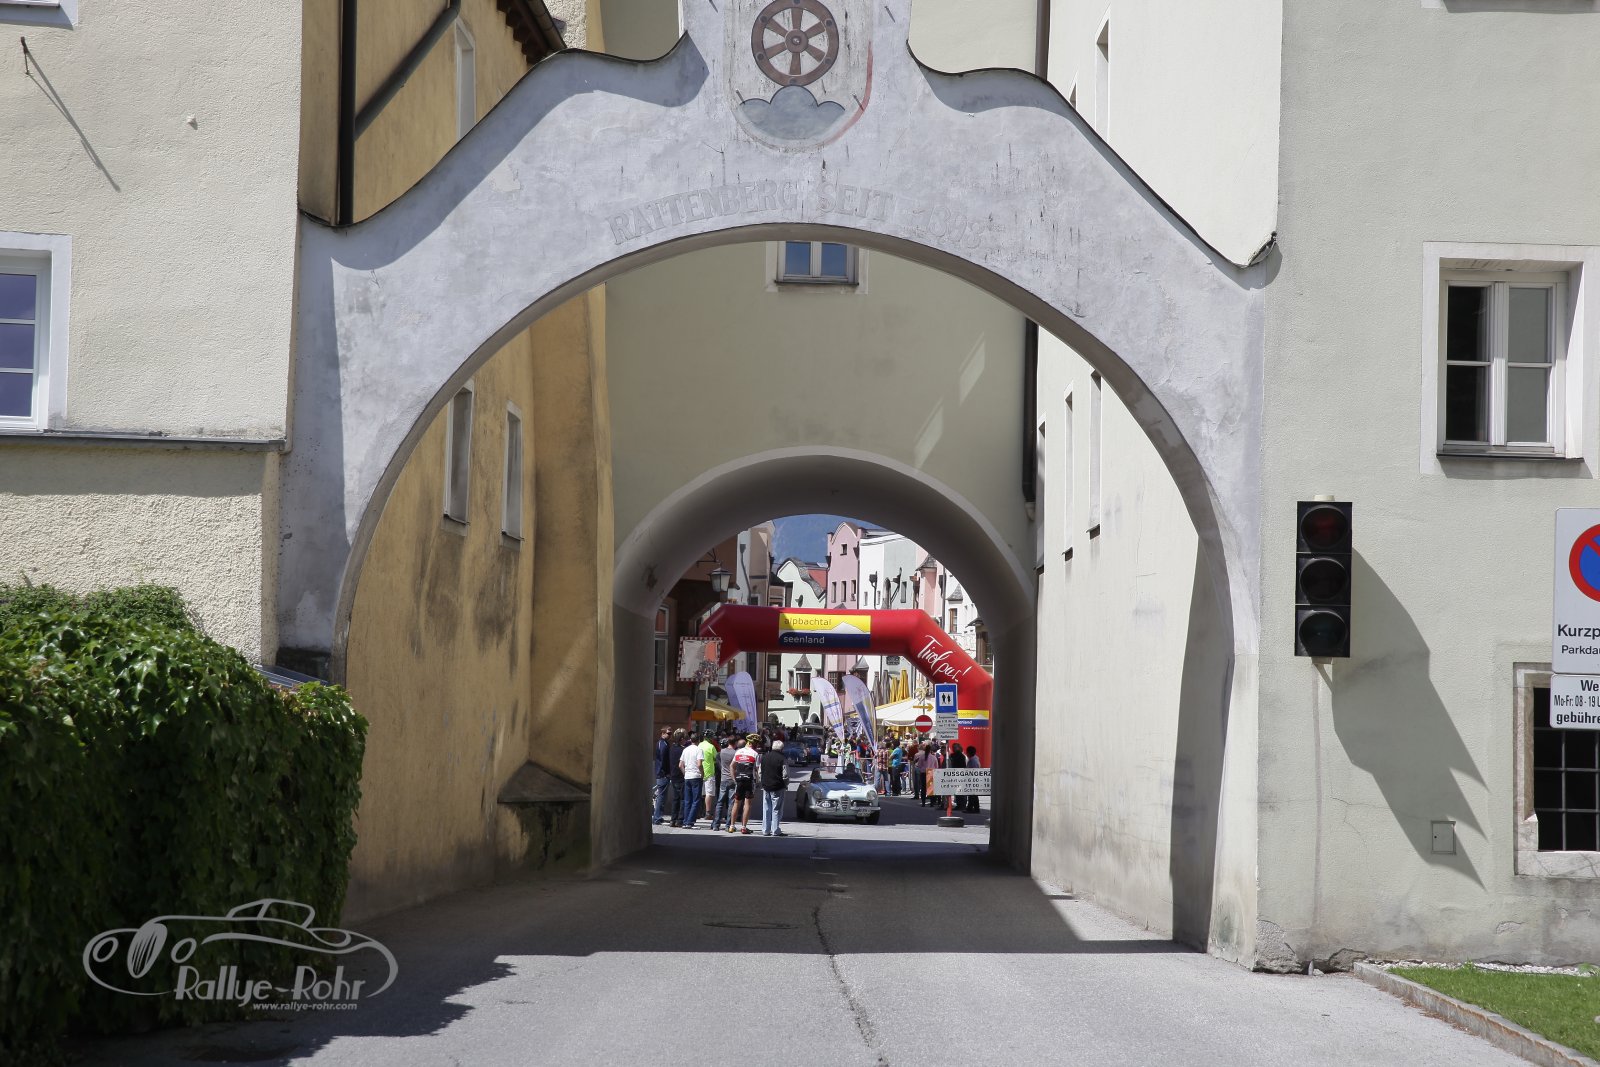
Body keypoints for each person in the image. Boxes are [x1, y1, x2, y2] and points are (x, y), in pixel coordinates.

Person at [729, 734, 760, 834]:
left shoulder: (738, 751)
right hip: (749, 780)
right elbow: (757, 770)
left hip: (739, 779)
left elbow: (732, 766)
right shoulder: (755, 754)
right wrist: (758, 781)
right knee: (747, 804)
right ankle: (743, 827)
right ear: (753, 744)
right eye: (756, 744)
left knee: (736, 802)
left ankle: (731, 826)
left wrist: (734, 778)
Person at [760, 738, 788, 837]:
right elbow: (785, 775)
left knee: (766, 808)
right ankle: (775, 830)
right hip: (778, 786)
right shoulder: (782, 758)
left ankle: (765, 830)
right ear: (781, 749)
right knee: (776, 809)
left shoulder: (764, 757)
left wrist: (762, 782)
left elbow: (760, 771)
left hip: (766, 786)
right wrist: (786, 784)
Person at [679, 731, 705, 828]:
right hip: (696, 776)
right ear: (699, 740)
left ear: (691, 740)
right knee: (696, 800)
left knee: (687, 800)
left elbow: (680, 765)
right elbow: (699, 764)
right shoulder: (699, 750)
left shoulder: (685, 749)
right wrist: (702, 774)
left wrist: (685, 773)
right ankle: (690, 821)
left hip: (687, 776)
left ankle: (686, 821)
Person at [712, 736, 738, 831]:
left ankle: (716, 824)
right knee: (731, 803)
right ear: (735, 743)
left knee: (720, 802)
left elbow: (717, 762)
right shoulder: (735, 753)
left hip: (723, 779)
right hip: (732, 779)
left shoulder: (721, 752)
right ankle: (728, 825)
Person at [652, 728, 673, 825]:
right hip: (663, 774)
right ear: (663, 733)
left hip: (661, 773)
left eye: (671, 733)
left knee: (662, 796)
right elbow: (664, 760)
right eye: (668, 733)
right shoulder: (663, 744)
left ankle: (658, 817)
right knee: (661, 797)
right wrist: (667, 773)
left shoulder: (662, 743)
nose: (670, 735)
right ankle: (657, 817)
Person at [666, 729, 686, 826]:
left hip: (673, 776)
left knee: (675, 798)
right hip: (681, 776)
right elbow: (683, 764)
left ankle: (673, 819)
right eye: (684, 739)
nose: (685, 740)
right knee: (682, 799)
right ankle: (679, 820)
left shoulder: (672, 749)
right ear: (681, 739)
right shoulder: (682, 750)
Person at [700, 734, 719, 823]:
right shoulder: (711, 747)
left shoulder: (699, 745)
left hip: (700, 772)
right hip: (709, 772)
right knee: (708, 793)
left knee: (701, 793)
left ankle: (700, 812)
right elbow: (716, 758)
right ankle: (708, 813)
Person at [947, 739, 968, 814]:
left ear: (958, 748)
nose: (954, 749)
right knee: (957, 791)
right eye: (953, 747)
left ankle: (962, 805)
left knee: (961, 791)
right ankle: (960, 804)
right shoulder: (953, 755)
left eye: (955, 747)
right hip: (955, 774)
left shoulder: (961, 756)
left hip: (960, 774)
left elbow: (963, 765)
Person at [964, 745, 982, 813]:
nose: (966, 753)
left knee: (972, 795)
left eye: (967, 752)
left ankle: (971, 808)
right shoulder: (974, 759)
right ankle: (974, 808)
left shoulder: (973, 761)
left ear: (969, 752)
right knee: (973, 795)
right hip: (973, 779)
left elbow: (974, 770)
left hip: (973, 779)